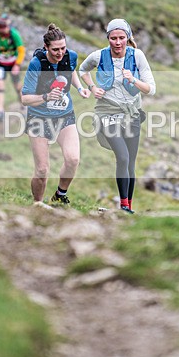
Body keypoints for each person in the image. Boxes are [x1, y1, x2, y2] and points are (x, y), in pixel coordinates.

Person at [79, 18, 156, 214]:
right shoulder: (99, 56)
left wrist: (133, 80)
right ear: (108, 38)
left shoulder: (137, 55)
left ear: (128, 38)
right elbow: (82, 70)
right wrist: (92, 87)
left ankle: (128, 207)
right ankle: (123, 205)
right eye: (113, 38)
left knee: (130, 161)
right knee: (122, 157)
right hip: (107, 112)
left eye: (122, 37)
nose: (118, 42)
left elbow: (151, 89)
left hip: (132, 113)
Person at [20, 23, 90, 205]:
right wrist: (46, 96)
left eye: (63, 48)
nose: (60, 53)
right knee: (42, 170)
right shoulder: (37, 64)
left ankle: (60, 195)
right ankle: (38, 204)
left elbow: (71, 70)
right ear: (46, 48)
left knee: (73, 159)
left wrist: (80, 87)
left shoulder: (70, 56)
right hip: (39, 119)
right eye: (55, 50)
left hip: (64, 116)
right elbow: (25, 98)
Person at [0, 13, 26, 121]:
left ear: (8, 25)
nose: (2, 29)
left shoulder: (14, 34)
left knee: (17, 86)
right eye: (0, 27)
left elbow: (21, 51)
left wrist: (17, 65)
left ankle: (24, 106)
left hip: (13, 63)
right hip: (0, 63)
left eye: (4, 27)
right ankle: (0, 111)